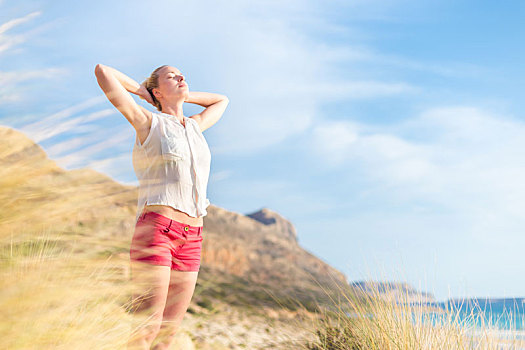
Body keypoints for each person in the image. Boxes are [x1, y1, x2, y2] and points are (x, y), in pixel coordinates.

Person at [94, 63, 229, 349]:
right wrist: (145, 94)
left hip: (192, 237)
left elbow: (221, 100)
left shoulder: (195, 126)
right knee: (147, 326)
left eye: (183, 75)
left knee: (168, 334)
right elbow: (103, 72)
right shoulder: (147, 122)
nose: (181, 77)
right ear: (157, 90)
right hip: (158, 231)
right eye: (172, 76)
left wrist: (181, 95)